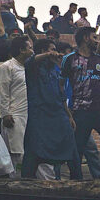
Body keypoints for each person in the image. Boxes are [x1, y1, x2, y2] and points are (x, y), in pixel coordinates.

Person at [60, 27, 100, 179]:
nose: (97, 41)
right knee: (77, 149)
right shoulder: (69, 59)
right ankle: (76, 180)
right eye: (94, 37)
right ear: (85, 38)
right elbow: (60, 86)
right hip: (80, 111)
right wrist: (67, 111)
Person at [21, 38, 82, 179]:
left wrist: (69, 115)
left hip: (59, 115)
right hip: (40, 116)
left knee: (71, 150)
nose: (55, 52)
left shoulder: (55, 70)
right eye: (52, 49)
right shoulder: (33, 68)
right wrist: (49, 55)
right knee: (34, 151)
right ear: (43, 51)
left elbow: (61, 95)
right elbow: (30, 61)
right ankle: (26, 184)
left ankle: (78, 182)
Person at [0, 35, 31, 176]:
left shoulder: (28, 67)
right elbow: (2, 92)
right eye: (30, 48)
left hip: (28, 116)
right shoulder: (7, 67)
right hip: (13, 116)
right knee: (14, 154)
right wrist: (5, 114)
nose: (32, 51)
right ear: (22, 50)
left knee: (25, 153)